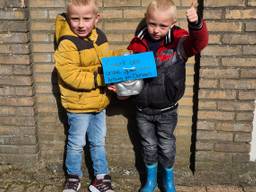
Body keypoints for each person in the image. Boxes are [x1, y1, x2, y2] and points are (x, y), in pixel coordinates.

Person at [109, 0, 208, 191]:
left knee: (166, 146)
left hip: (167, 110)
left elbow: (199, 42)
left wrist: (196, 25)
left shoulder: (179, 43)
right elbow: (131, 80)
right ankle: (150, 181)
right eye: (152, 24)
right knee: (148, 146)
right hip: (142, 110)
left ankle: (168, 180)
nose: (156, 29)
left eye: (162, 25)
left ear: (172, 23)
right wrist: (122, 93)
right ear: (147, 20)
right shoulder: (137, 45)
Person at [54, 0, 126, 191]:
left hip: (99, 103)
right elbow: (71, 76)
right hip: (77, 106)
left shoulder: (99, 36)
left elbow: (106, 59)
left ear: (96, 18)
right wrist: (102, 79)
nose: (80, 24)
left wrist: (126, 55)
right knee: (77, 143)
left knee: (98, 142)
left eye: (86, 19)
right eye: (75, 19)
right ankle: (73, 176)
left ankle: (101, 177)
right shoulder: (67, 43)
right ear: (68, 19)